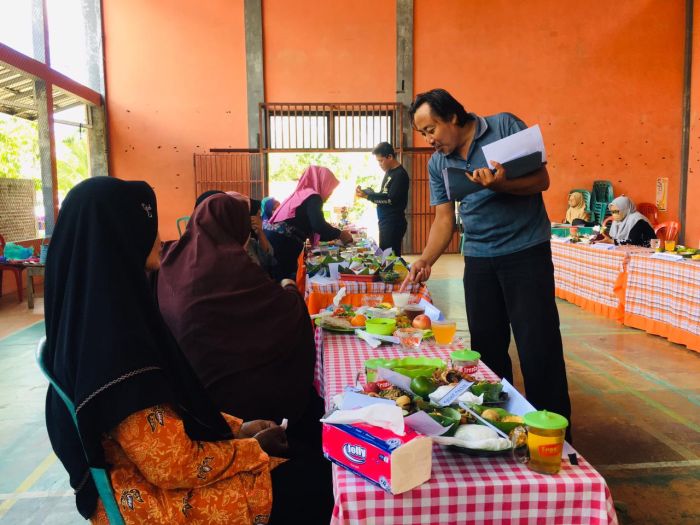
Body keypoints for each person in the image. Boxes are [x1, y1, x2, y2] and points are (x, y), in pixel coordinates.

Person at [43, 177, 328, 524]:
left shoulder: (100, 317)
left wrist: (240, 427)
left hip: (156, 474)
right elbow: (173, 466)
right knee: (321, 482)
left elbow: (172, 410)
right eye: (148, 224)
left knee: (310, 455)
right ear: (122, 235)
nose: (159, 236)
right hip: (154, 500)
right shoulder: (115, 350)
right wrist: (252, 448)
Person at [407, 88, 572, 430]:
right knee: (487, 352)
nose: (429, 140)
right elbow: (443, 219)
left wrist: (500, 185)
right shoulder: (439, 163)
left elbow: (541, 179)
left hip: (525, 253)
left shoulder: (505, 126)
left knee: (538, 348)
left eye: (431, 129)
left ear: (453, 117)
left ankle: (556, 438)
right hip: (479, 260)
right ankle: (500, 429)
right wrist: (425, 259)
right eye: (423, 134)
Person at [156, 193, 323, 451]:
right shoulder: (232, 267)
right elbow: (286, 314)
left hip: (191, 395)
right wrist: (290, 289)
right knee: (315, 411)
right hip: (234, 406)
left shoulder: (172, 262)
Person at [264, 165, 353, 280]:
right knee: (283, 280)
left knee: (279, 277)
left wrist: (335, 235)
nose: (330, 193)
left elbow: (314, 225)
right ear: (322, 182)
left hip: (275, 240)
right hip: (283, 244)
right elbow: (318, 225)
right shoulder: (313, 197)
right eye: (330, 188)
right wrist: (340, 234)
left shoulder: (303, 194)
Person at [355, 142, 410, 255]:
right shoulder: (389, 172)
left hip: (393, 222)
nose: (380, 164)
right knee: (385, 255)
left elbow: (390, 199)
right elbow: (384, 193)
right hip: (386, 221)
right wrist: (367, 192)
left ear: (390, 157)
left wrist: (369, 196)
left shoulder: (400, 175)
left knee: (390, 257)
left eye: (381, 160)